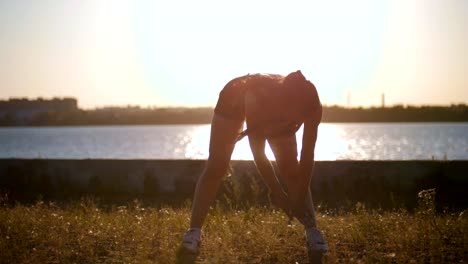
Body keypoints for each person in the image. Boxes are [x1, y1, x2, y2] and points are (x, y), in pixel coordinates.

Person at [181, 70, 328, 254]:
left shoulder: (313, 106)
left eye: (300, 116)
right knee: (216, 166)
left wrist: (298, 200)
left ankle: (312, 230)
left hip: (275, 113)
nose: (297, 121)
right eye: (295, 114)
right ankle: (193, 232)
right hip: (233, 100)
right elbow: (258, 153)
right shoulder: (258, 98)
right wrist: (276, 190)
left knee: (291, 169)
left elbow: (307, 156)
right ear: (286, 103)